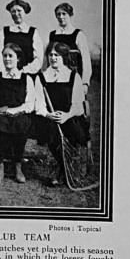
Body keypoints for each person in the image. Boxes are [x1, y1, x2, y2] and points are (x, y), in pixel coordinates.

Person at [34, 41, 89, 186]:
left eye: (56, 55)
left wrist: (66, 115)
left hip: (70, 116)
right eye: (50, 54)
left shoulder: (73, 76)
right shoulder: (41, 77)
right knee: (51, 133)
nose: (52, 58)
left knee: (73, 131)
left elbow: (78, 105)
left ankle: (63, 170)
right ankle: (67, 169)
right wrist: (48, 115)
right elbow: (38, 103)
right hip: (50, 117)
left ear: (63, 56)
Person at [0, 42, 36, 184]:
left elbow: (29, 103)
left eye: (10, 56)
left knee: (22, 125)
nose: (7, 59)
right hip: (1, 115)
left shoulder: (26, 79)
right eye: (5, 56)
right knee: (1, 126)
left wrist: (14, 110)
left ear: (18, 58)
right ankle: (0, 166)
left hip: (19, 114)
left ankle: (18, 166)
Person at [47, 2, 92, 95]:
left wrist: (85, 82)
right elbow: (48, 59)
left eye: (64, 14)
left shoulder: (78, 34)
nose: (61, 16)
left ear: (70, 15)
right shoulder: (52, 35)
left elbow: (86, 60)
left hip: (74, 77)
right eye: (58, 14)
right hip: (56, 79)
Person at [0, 0, 44, 75]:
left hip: (29, 75)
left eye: (19, 11)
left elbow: (38, 59)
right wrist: (6, 73)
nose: (16, 14)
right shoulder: (3, 32)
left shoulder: (33, 33)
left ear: (24, 12)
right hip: (7, 76)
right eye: (13, 11)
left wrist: (23, 71)